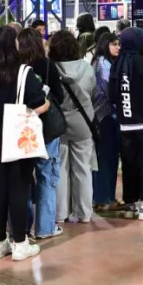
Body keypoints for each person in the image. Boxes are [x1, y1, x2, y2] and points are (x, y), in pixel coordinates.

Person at [0, 26, 50, 260]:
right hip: (18, 139)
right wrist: (45, 105)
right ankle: (20, 243)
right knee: (19, 190)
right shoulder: (23, 72)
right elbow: (38, 101)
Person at [16, 27, 65, 240]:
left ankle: (21, 228)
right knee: (47, 176)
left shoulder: (14, 67)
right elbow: (60, 96)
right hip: (47, 129)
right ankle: (45, 227)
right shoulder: (47, 66)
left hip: (21, 130)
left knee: (22, 179)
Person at [110, 28, 143, 219]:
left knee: (129, 165)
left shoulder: (117, 64)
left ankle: (130, 202)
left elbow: (112, 94)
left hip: (125, 124)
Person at [49, 31, 96, 225]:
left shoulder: (51, 68)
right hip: (83, 122)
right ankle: (84, 213)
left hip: (57, 124)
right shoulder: (86, 68)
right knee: (83, 169)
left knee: (59, 168)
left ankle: (60, 214)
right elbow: (92, 92)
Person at [91, 32, 122, 210]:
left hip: (104, 116)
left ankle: (104, 197)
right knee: (107, 159)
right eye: (114, 44)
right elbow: (110, 92)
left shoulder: (102, 62)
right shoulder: (103, 65)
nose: (118, 47)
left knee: (106, 158)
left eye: (118, 44)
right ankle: (104, 198)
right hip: (105, 116)